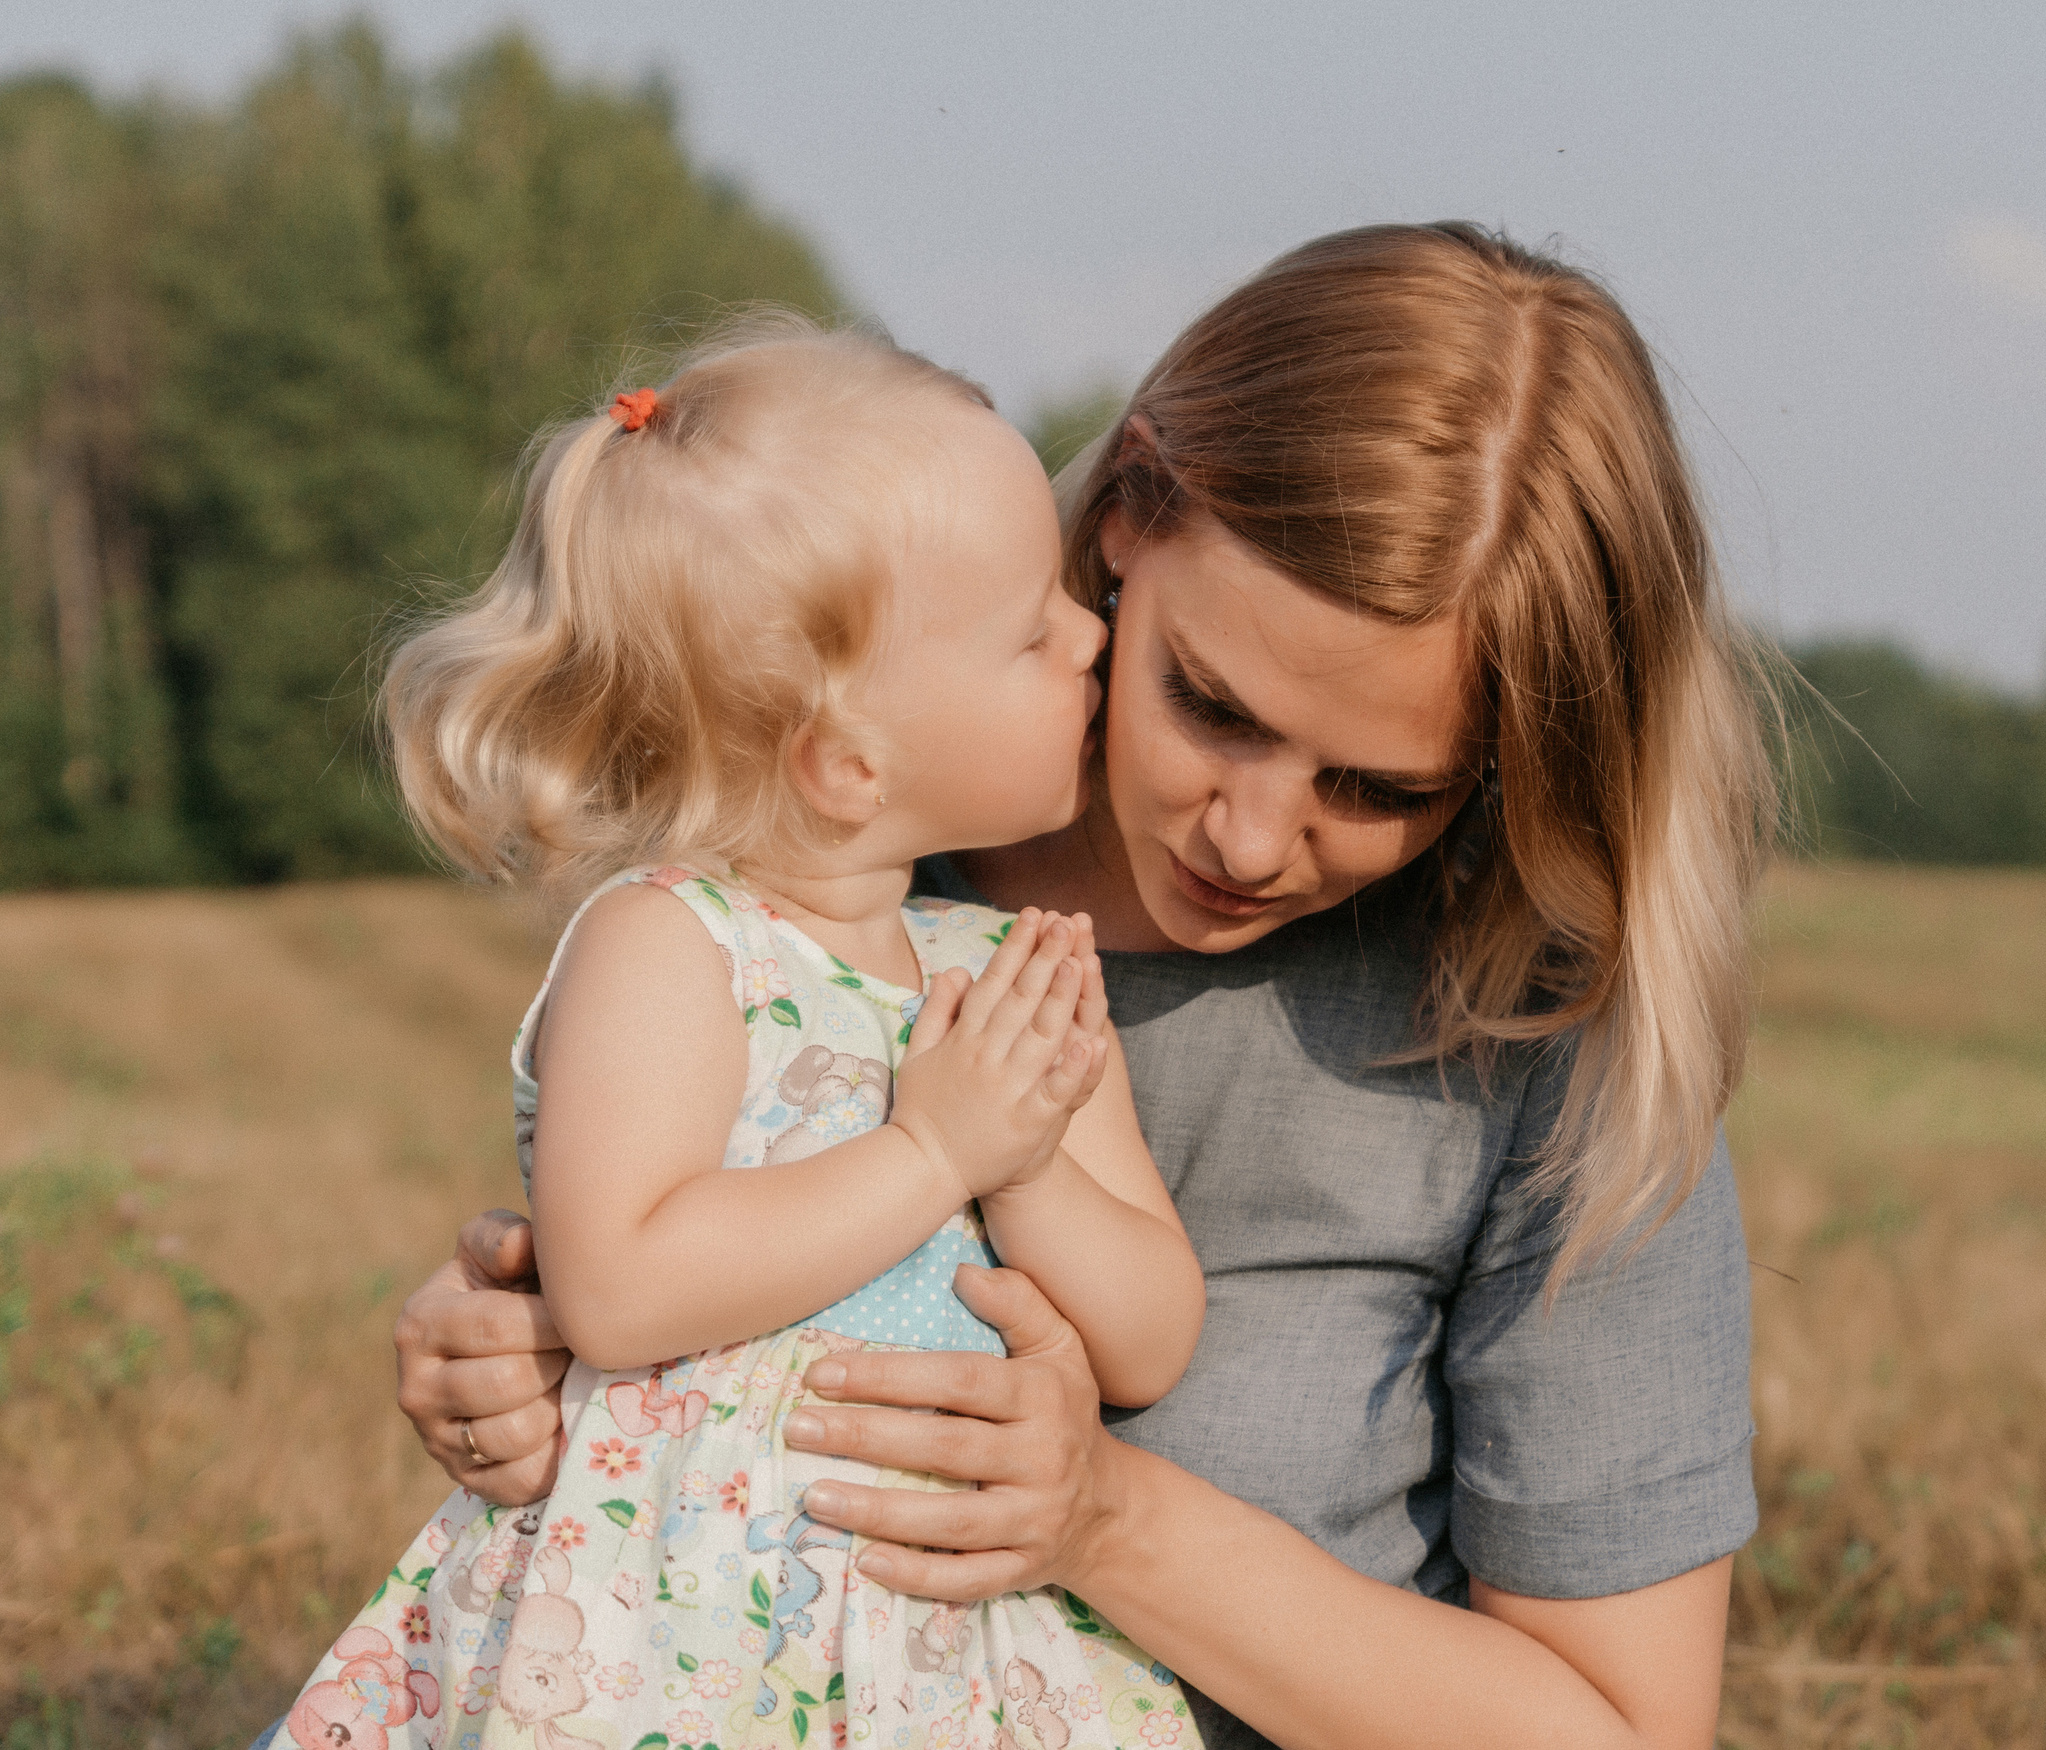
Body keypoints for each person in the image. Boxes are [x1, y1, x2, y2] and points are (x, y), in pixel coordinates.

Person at [385, 222, 1776, 1750]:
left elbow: (1623, 1735)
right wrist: (527, 1360)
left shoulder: (1539, 1037)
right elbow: (667, 1275)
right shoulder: (837, 871)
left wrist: (1107, 1521)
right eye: (1210, 701)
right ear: (1122, 520)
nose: (1250, 837)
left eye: (1380, 785)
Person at [280, 322, 1211, 1750]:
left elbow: (1150, 1333)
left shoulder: (1008, 974)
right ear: (848, 761)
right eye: (1032, 627)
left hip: (937, 1630)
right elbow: (623, 1282)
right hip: (685, 1626)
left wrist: (1018, 1166)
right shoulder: (669, 943)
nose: (1093, 630)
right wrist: (933, 1147)